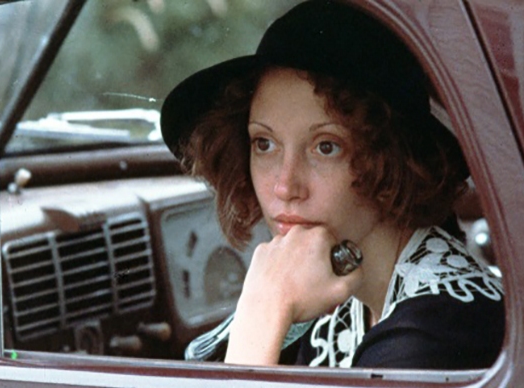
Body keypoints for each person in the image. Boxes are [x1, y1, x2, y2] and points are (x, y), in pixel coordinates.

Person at [160, 0, 504, 369]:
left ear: (391, 160)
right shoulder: (344, 304)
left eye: (326, 147)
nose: (285, 185)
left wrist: (264, 308)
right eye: (265, 144)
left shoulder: (434, 332)